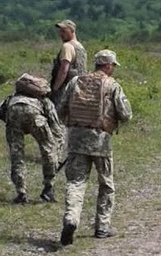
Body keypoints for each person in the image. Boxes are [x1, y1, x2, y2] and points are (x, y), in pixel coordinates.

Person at [56, 49, 132, 245]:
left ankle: (71, 218)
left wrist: (73, 126)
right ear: (107, 65)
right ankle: (102, 227)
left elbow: (60, 108)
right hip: (100, 142)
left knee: (76, 183)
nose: (113, 69)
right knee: (106, 184)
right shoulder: (112, 85)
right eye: (113, 65)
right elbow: (126, 114)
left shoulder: (75, 82)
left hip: (76, 140)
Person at [0, 74, 63, 204]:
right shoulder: (45, 101)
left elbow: (0, 112)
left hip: (13, 113)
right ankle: (48, 188)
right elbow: (56, 128)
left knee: (17, 154)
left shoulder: (12, 98)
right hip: (35, 116)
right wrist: (56, 154)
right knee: (48, 149)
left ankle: (21, 192)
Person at [50, 19, 88, 103]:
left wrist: (55, 88)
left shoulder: (67, 46)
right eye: (60, 31)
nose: (61, 34)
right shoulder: (80, 47)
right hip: (80, 89)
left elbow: (64, 70)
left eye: (64, 31)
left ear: (72, 31)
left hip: (66, 89)